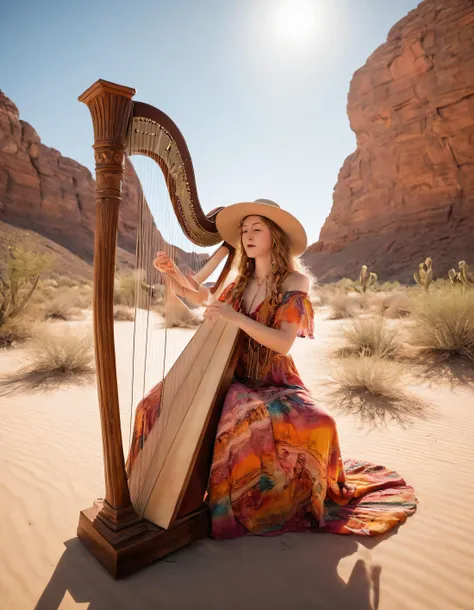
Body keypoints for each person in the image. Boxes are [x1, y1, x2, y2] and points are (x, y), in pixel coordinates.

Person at [127, 199, 417, 539]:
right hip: (235, 373)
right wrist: (172, 274)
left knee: (320, 421)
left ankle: (261, 499)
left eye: (256, 229)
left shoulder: (295, 282)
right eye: (244, 230)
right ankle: (142, 491)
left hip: (274, 377)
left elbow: (282, 343)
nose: (247, 236)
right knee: (152, 404)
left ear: (274, 236)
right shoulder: (240, 280)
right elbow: (201, 298)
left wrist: (234, 317)